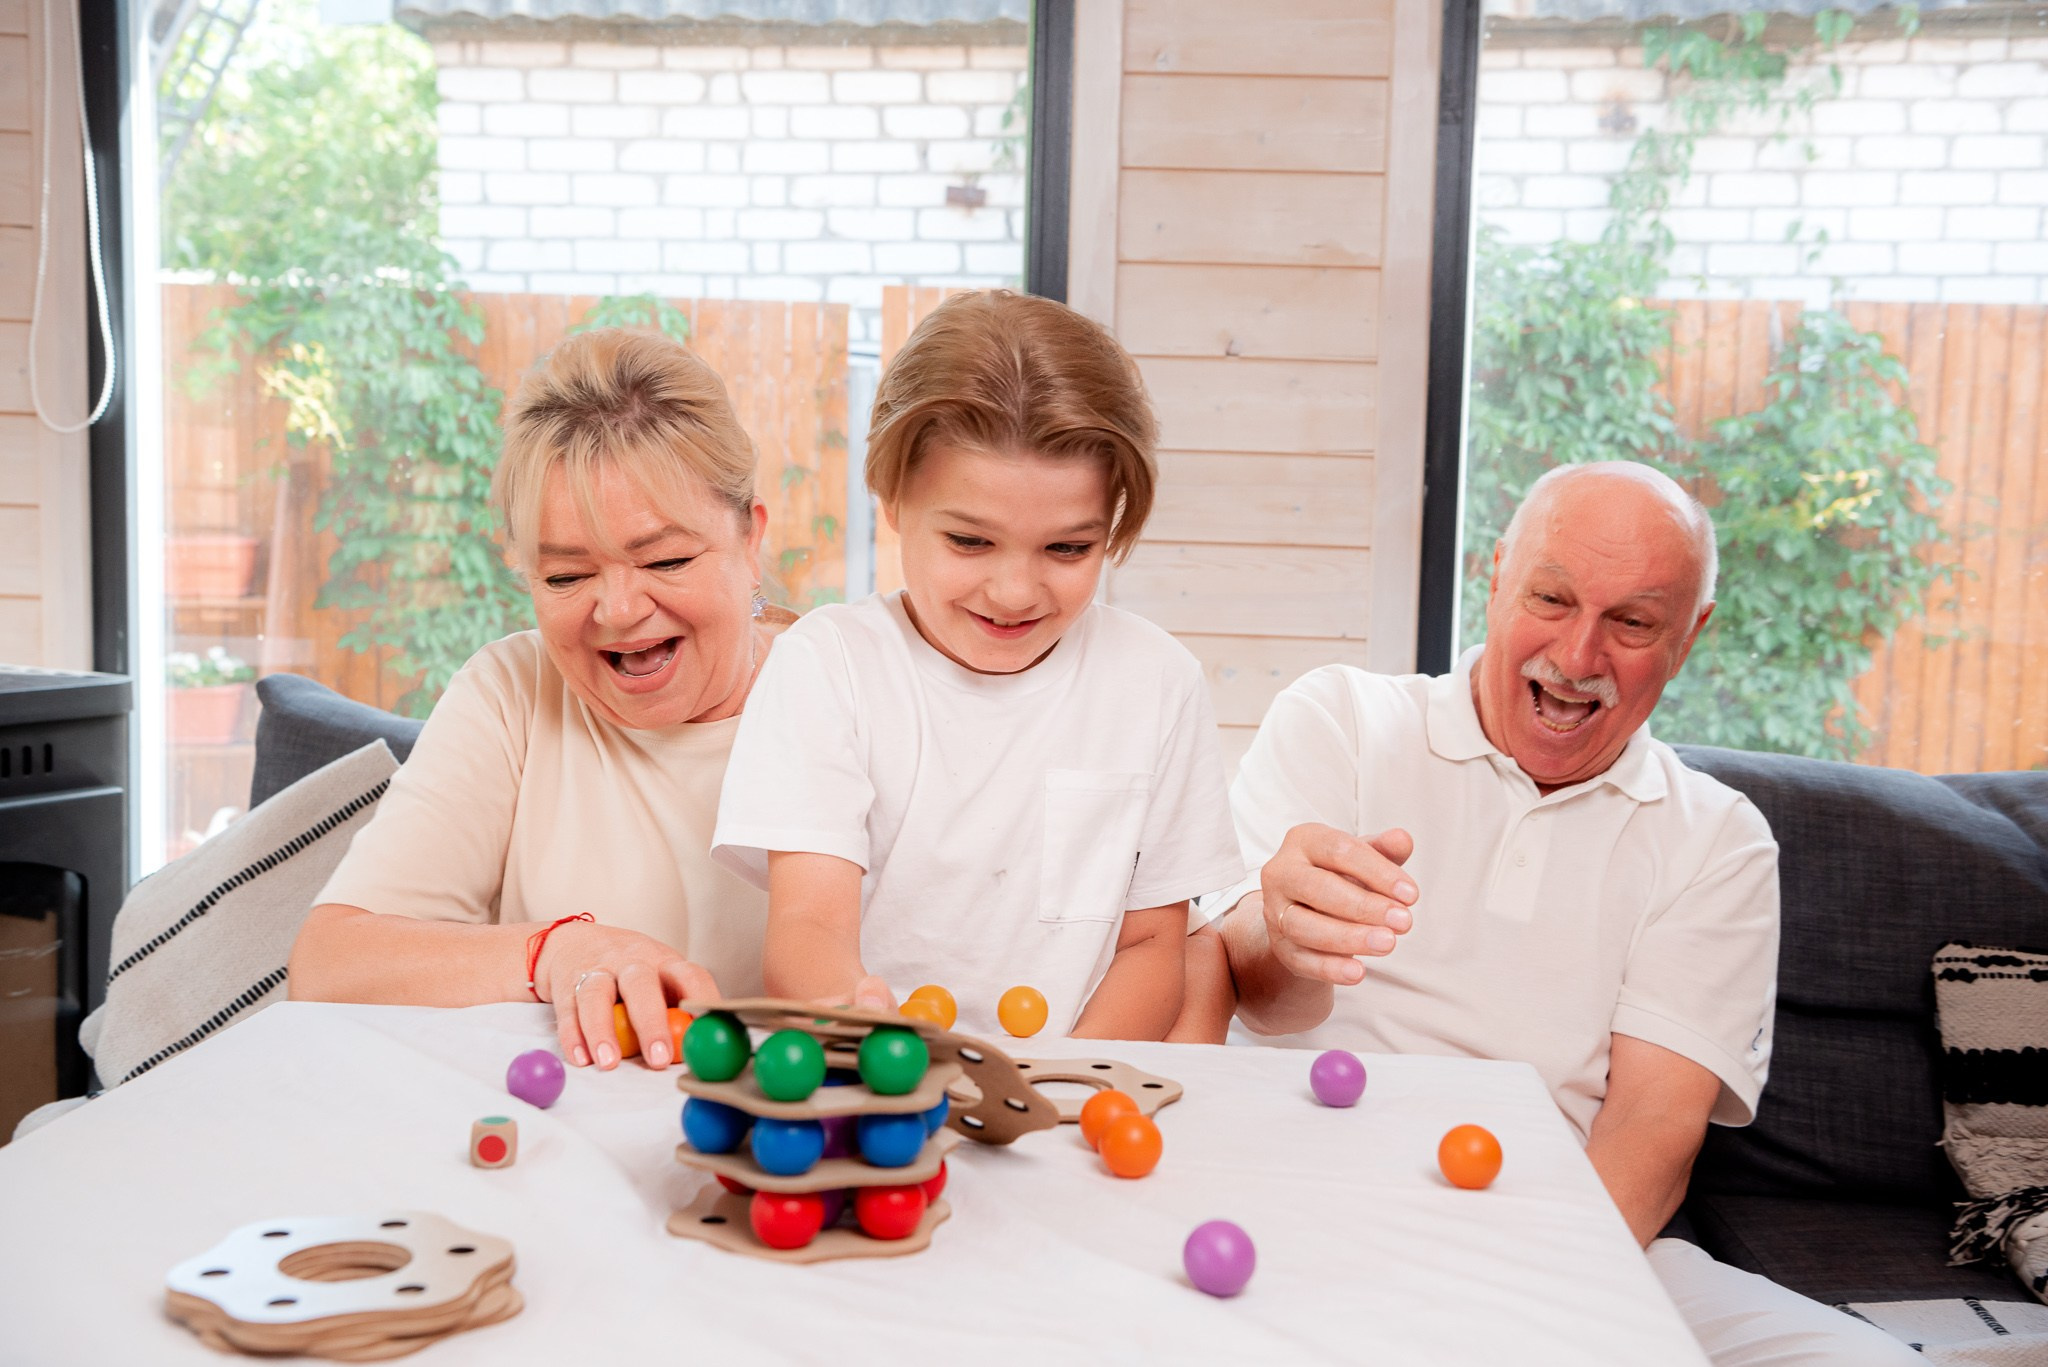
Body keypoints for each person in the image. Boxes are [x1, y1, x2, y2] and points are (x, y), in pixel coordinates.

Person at [1204, 461, 1919, 1365]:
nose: (1578, 659)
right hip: (1300, 1202)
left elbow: (1651, 1134)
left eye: (1632, 622)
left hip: (1565, 1231)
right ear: (1497, 575)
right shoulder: (1342, 719)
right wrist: (1288, 934)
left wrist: (1517, 1308)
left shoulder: (1719, 839)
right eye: (1552, 597)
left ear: (1689, 635)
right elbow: (1263, 1001)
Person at [710, 290, 1243, 1041]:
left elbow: (1154, 946)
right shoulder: (829, 666)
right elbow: (806, 927)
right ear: (892, 499)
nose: (1015, 591)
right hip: (884, 1090)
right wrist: (880, 1047)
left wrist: (1055, 1095)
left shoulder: (1157, 682)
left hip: (1069, 1101)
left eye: (1068, 548)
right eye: (970, 542)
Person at [288, 328, 795, 1074]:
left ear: (749, 539)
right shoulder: (512, 694)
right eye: (565, 576)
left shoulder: (843, 691)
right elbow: (328, 964)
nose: (619, 609)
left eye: (665, 559)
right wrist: (557, 950)